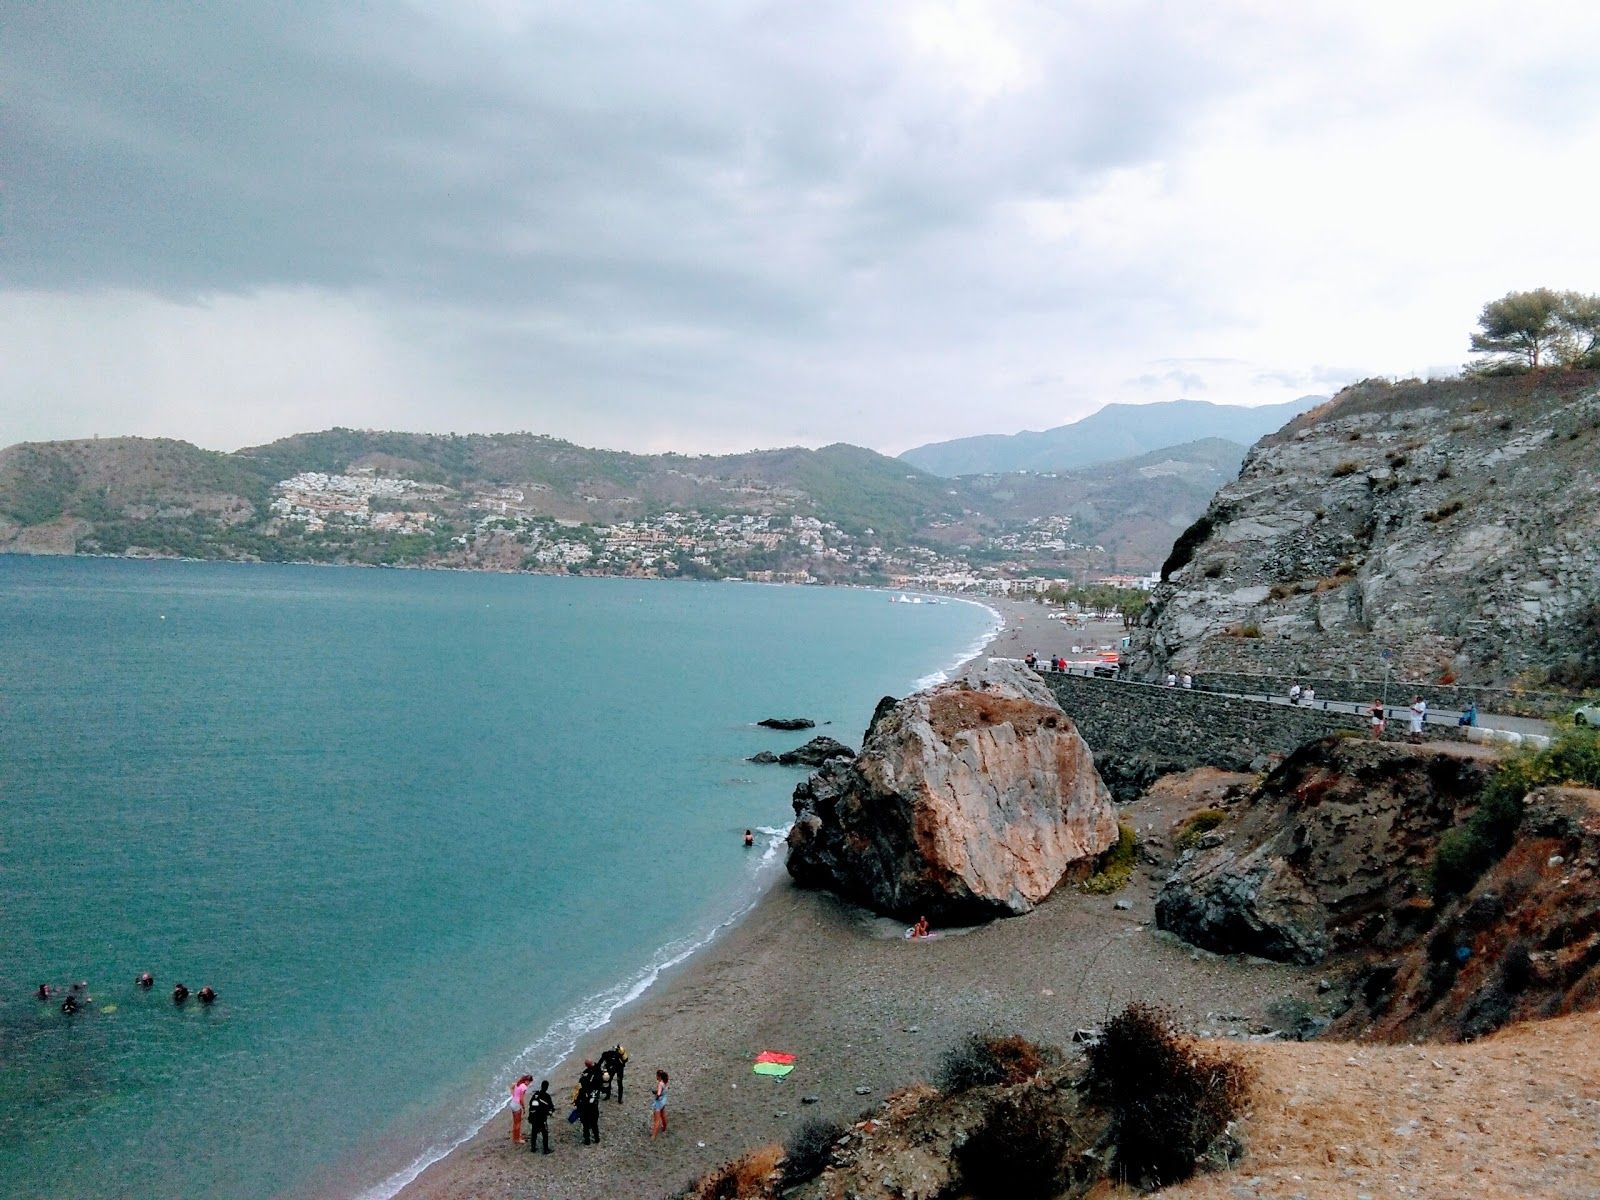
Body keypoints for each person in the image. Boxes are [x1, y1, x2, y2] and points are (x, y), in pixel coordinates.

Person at [527, 1080, 554, 1154]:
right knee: (545, 1133)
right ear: (547, 1087)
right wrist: (550, 1112)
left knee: (534, 1132)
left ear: (541, 1086)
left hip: (534, 1117)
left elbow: (530, 1104)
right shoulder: (547, 1096)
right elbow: (551, 1107)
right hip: (542, 1118)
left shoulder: (536, 1095)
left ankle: (533, 1148)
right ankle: (545, 1149)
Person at [576, 1068, 602, 1145]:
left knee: (586, 1126)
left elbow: (577, 1101)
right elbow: (596, 1099)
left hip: (585, 1111)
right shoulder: (594, 1090)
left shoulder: (580, 1091)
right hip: (593, 1110)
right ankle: (597, 1138)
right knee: (594, 1125)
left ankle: (587, 1140)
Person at [509, 1074, 533, 1144]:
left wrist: (513, 1095)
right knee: (518, 1123)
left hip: (512, 1103)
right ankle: (517, 1139)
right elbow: (521, 1099)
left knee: (515, 1122)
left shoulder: (518, 1083)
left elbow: (512, 1087)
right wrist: (523, 1107)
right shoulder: (524, 1087)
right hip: (517, 1105)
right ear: (527, 1081)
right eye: (529, 1082)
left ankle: (516, 1136)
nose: (529, 1084)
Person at [650, 1069, 669, 1139]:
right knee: (663, 1115)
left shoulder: (660, 1084)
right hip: (663, 1102)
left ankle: (653, 1135)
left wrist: (656, 1097)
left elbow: (659, 1094)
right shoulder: (665, 1082)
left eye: (657, 1076)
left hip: (658, 1103)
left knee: (656, 1120)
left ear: (659, 1076)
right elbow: (664, 1091)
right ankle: (664, 1128)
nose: (656, 1077)